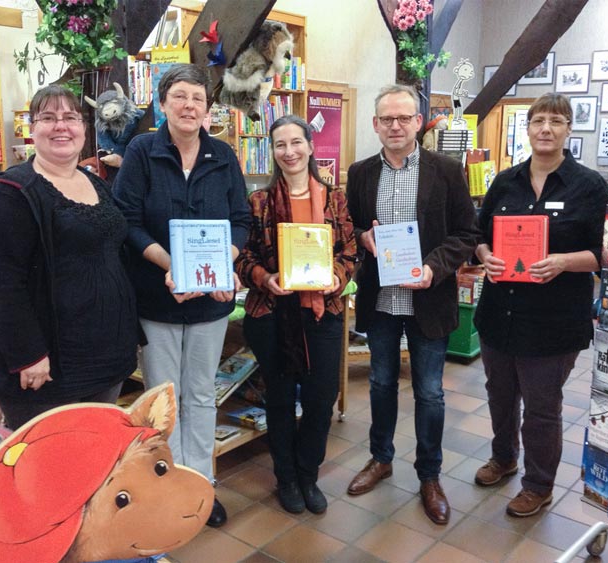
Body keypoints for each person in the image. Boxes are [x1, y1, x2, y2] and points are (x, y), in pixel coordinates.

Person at [113, 64, 251, 528]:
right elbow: (127, 219)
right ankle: (162, 487)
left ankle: (200, 486)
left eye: (198, 98)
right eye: (180, 97)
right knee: (159, 402)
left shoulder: (223, 156)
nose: (190, 105)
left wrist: (221, 261)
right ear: (162, 103)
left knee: (199, 395)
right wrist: (174, 266)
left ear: (207, 109)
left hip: (211, 301)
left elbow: (241, 220)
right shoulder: (141, 151)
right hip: (158, 298)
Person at [345, 84, 481, 525]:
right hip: (382, 301)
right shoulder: (361, 172)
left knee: (430, 392)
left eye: (404, 118)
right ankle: (380, 459)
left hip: (429, 299)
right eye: (387, 119)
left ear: (418, 123)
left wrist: (432, 268)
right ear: (375, 124)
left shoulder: (445, 170)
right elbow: (351, 227)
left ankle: (429, 475)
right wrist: (363, 238)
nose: (396, 126)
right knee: (381, 384)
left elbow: (466, 233)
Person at [0, 85, 138, 430]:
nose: (61, 126)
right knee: (49, 469)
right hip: (46, 369)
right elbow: (0, 284)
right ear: (32, 130)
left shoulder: (97, 184)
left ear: (84, 128)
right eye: (48, 118)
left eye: (70, 118)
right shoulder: (10, 194)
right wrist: (27, 355)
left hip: (105, 358)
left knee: (95, 459)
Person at [473, 93, 608, 517]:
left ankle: (538, 484)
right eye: (538, 121)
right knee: (500, 395)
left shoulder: (590, 187)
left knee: (542, 406)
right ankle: (504, 458)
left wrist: (565, 262)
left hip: (553, 321)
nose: (545, 129)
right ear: (527, 129)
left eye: (556, 121)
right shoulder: (505, 181)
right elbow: (478, 235)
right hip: (500, 314)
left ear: (569, 129)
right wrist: (484, 256)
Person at [235, 115, 357, 514]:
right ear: (272, 152)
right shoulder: (259, 202)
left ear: (310, 146)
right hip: (272, 315)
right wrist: (264, 277)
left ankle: (309, 474)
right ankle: (286, 478)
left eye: (295, 142)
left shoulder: (334, 198)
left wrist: (335, 279)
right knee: (281, 400)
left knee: (322, 398)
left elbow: (349, 252)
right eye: (280, 145)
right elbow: (244, 256)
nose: (289, 152)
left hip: (322, 313)